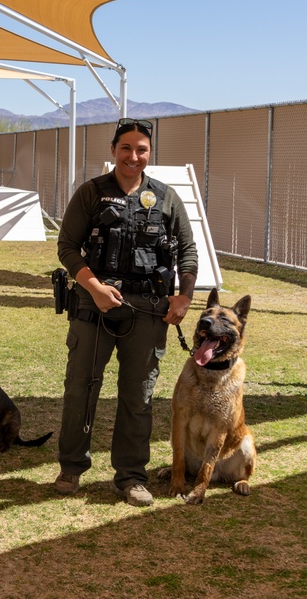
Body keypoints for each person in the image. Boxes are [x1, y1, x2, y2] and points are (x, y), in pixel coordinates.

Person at [54, 117, 198, 507]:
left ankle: (132, 476)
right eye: (126, 148)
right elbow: (67, 246)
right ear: (113, 151)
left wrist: (183, 296)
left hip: (149, 311)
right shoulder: (91, 193)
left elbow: (187, 252)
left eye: (141, 149)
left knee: (138, 395)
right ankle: (71, 468)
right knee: (80, 388)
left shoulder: (166, 197)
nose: (133, 156)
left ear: (150, 154)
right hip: (94, 306)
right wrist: (95, 287)